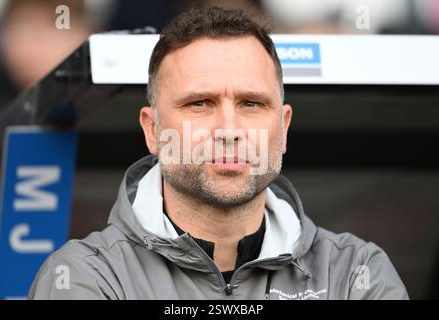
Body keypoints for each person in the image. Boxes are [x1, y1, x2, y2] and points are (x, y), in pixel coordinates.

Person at [28, 7, 408, 300]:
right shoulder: (86, 277)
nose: (229, 130)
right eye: (200, 103)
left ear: (284, 127)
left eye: (251, 104)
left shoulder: (356, 272)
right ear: (152, 129)